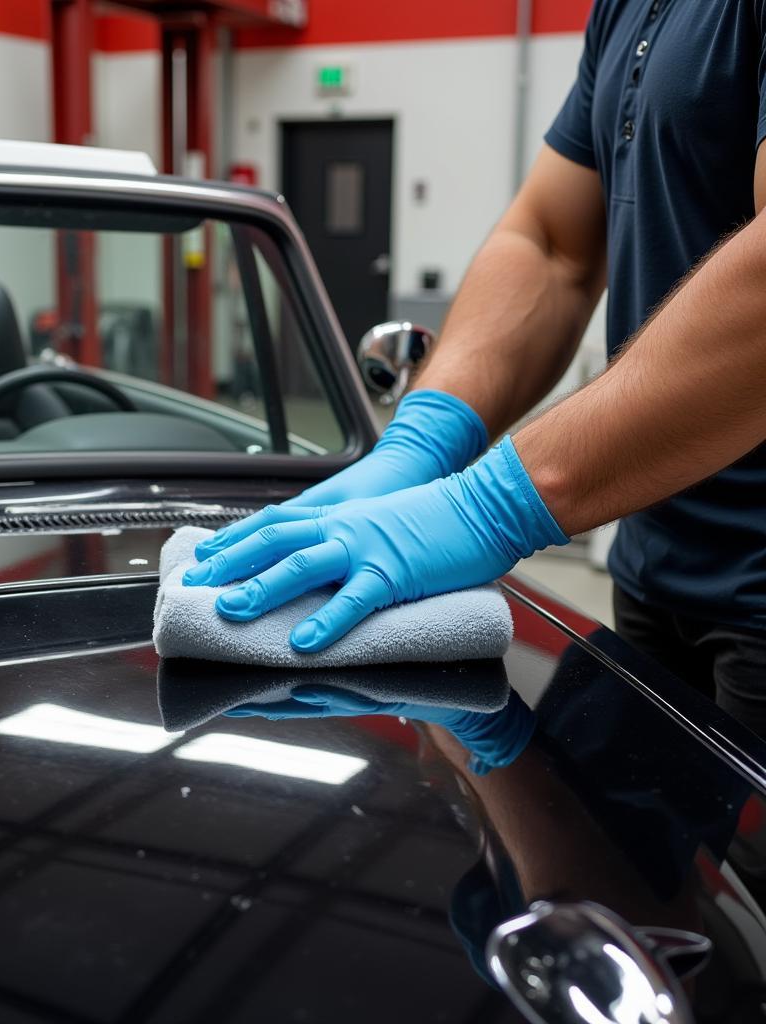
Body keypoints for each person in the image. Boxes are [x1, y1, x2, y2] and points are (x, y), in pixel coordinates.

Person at [184, 0, 766, 733]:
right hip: (652, 566)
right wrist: (424, 438)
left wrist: (490, 505)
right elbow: (552, 244)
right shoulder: (625, 9)